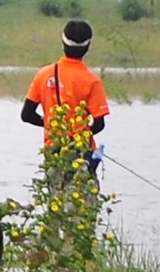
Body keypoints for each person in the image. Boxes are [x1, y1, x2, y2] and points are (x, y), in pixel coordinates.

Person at [21, 19, 110, 174]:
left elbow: (26, 115)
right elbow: (99, 124)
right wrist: (77, 136)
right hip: (82, 154)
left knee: (58, 194)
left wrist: (53, 127)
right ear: (87, 47)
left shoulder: (43, 75)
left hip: (53, 152)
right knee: (81, 195)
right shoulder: (91, 81)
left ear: (63, 43)